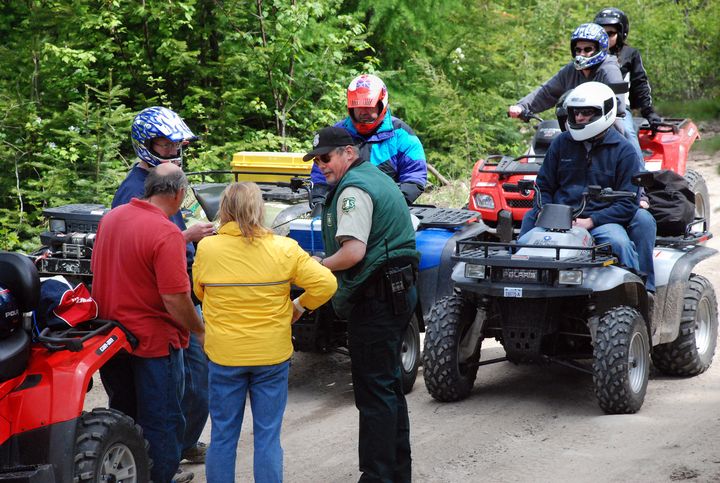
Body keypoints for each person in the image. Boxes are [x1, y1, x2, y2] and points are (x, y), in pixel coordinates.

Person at [192, 182, 336, 483]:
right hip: (271, 355)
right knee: (268, 436)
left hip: (225, 356)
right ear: (259, 210)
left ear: (225, 209)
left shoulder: (207, 248)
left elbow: (201, 293)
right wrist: (298, 306)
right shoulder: (284, 249)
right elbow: (326, 284)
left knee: (222, 437)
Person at [304, 126, 420, 482]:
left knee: (374, 394)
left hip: (377, 298)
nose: (321, 165)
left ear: (348, 153)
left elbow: (353, 252)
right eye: (317, 159)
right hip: (398, 291)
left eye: (326, 157)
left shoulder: (353, 190)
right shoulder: (375, 177)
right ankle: (397, 473)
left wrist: (316, 266)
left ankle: (377, 475)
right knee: (388, 389)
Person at [106, 106, 215, 475]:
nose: (173, 150)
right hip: (155, 321)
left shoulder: (126, 209)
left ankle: (151, 456)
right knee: (166, 404)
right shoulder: (137, 196)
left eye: (176, 144)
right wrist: (195, 328)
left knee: (155, 399)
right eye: (165, 145)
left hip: (128, 320)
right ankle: (163, 462)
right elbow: (160, 276)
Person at [91, 163, 206, 483]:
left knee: (124, 417)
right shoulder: (166, 232)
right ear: (180, 194)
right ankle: (161, 476)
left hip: (111, 339)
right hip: (154, 343)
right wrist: (198, 329)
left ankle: (133, 473)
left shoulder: (111, 219)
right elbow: (175, 299)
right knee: (163, 421)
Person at [519, 82, 656, 290]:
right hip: (559, 217)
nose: (579, 118)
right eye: (575, 113)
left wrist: (591, 221)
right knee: (524, 243)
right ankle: (516, 289)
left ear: (604, 113)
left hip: (602, 220)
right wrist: (544, 211)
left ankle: (638, 294)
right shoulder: (560, 143)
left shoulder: (624, 151)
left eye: (586, 113)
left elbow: (628, 202)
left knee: (619, 243)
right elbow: (543, 186)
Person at [310, 74, 427, 207]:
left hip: (388, 209)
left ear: (381, 104)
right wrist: (320, 204)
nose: (363, 112)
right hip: (342, 209)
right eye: (358, 106)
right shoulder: (334, 134)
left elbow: (414, 179)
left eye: (369, 106)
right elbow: (320, 177)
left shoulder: (403, 136)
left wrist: (385, 205)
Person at [508, 23, 628, 134]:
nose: (581, 54)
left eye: (587, 50)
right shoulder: (571, 70)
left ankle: (635, 157)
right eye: (578, 50)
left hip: (605, 131)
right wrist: (522, 106)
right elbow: (548, 91)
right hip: (576, 128)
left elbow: (618, 105)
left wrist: (590, 114)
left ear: (599, 49)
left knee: (626, 136)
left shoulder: (610, 70)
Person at [594, 7, 663, 160]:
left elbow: (640, 84)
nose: (604, 38)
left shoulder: (629, 54)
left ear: (621, 33)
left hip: (618, 108)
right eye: (601, 33)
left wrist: (649, 112)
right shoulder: (587, 53)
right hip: (588, 108)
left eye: (610, 33)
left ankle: (638, 176)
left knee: (627, 132)